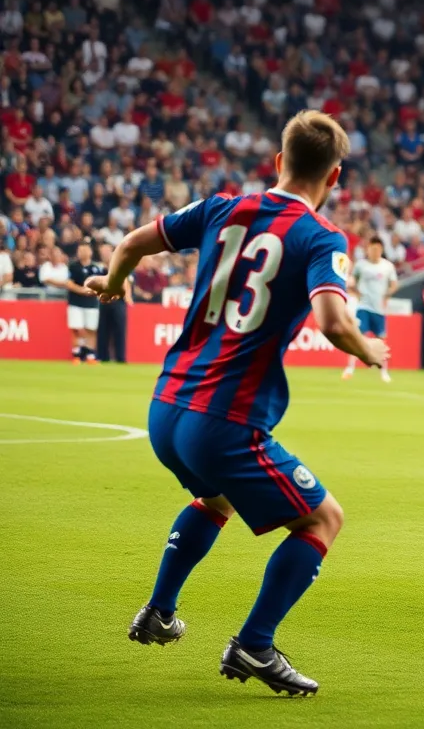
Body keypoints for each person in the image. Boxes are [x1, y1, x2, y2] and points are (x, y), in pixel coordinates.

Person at [85, 111, 388, 697]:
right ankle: (255, 645)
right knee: (324, 518)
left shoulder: (220, 207)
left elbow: (130, 243)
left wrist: (115, 282)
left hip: (166, 407)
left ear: (278, 162)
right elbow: (331, 319)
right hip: (224, 419)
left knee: (214, 498)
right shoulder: (322, 236)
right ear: (335, 176)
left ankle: (159, 613)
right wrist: (369, 349)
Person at [342, 237, 397, 383]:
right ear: (368, 249)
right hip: (364, 306)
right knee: (357, 335)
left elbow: (394, 284)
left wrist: (387, 294)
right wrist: (357, 292)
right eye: (372, 248)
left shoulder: (388, 267)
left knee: (382, 339)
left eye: (377, 249)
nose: (375, 251)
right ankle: (350, 368)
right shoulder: (361, 265)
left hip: (379, 309)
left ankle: (383, 371)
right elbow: (352, 281)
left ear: (381, 250)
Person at [64, 244, 105, 363]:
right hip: (75, 303)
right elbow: (69, 283)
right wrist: (81, 290)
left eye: (85, 250)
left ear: (90, 252)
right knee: (77, 328)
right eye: (80, 250)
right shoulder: (73, 266)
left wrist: (92, 291)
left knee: (91, 329)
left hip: (92, 304)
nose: (82, 252)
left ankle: (90, 355)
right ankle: (76, 354)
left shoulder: (96, 268)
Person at [95, 242, 130, 362]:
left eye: (107, 251)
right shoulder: (98, 268)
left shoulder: (119, 265)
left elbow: (125, 281)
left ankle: (120, 358)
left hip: (118, 300)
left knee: (119, 330)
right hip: (103, 300)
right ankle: (102, 357)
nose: (105, 254)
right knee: (103, 330)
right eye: (103, 251)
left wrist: (128, 296)